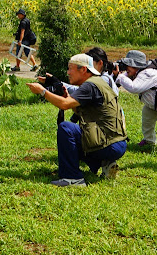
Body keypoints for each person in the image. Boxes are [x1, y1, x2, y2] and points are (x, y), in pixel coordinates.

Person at [27, 54, 128, 187]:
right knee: (76, 134)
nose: (68, 72)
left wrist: (42, 92)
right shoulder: (98, 82)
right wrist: (67, 97)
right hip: (117, 143)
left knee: (66, 129)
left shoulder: (89, 86)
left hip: (108, 144)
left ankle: (72, 178)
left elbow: (64, 104)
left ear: (84, 70)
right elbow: (82, 111)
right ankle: (104, 163)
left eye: (70, 68)